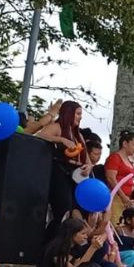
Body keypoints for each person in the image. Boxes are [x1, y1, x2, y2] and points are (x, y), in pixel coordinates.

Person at [36, 101, 92, 238]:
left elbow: (88, 161)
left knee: (76, 212)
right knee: (63, 210)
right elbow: (40, 135)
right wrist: (61, 139)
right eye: (78, 114)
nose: (80, 117)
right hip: (60, 172)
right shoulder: (57, 126)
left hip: (76, 175)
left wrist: (88, 167)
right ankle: (48, 243)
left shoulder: (78, 135)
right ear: (69, 113)